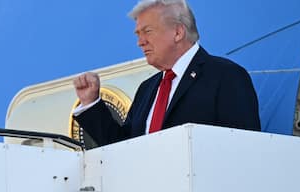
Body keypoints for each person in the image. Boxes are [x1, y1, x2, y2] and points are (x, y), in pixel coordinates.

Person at [73, 0, 261, 147]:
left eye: (147, 31)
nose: (140, 42)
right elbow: (123, 147)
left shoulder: (226, 76)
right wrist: (91, 103)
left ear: (178, 32)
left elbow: (242, 148)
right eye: (138, 34)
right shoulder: (147, 88)